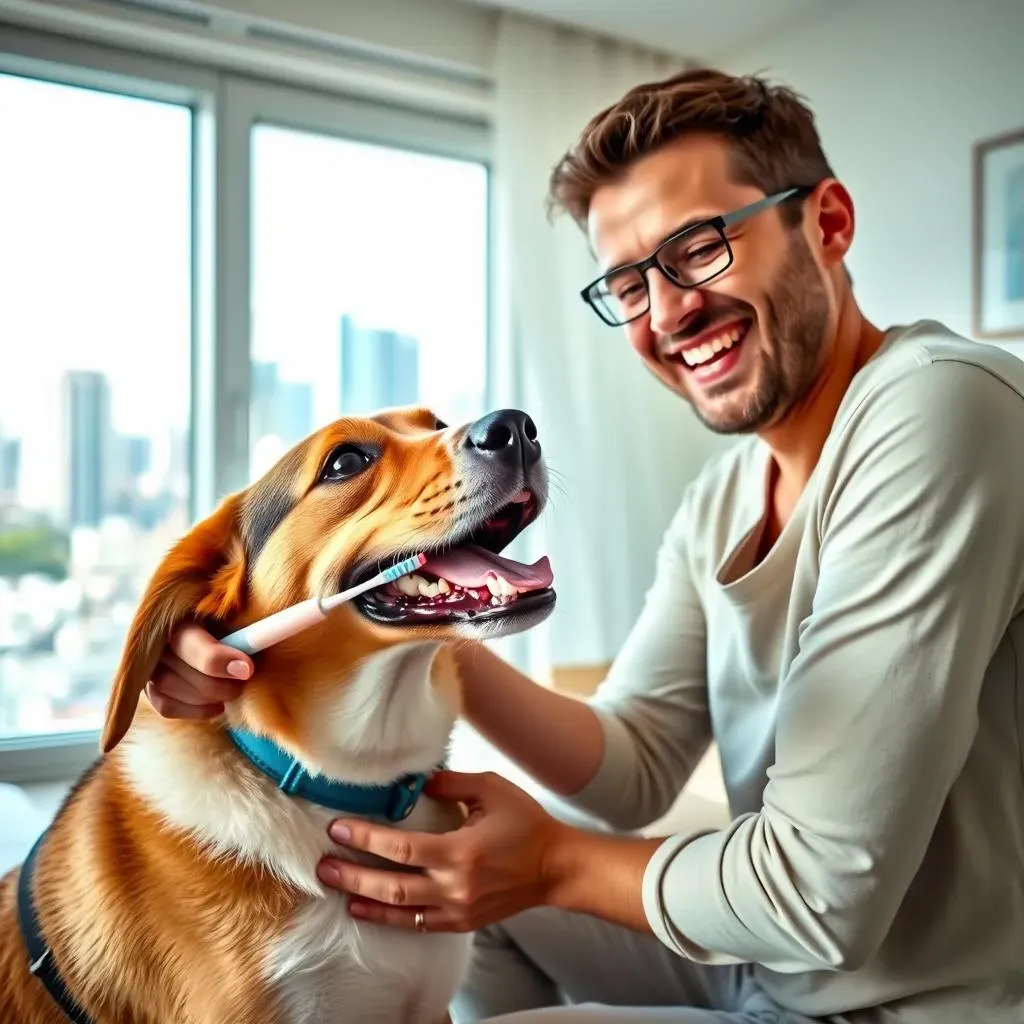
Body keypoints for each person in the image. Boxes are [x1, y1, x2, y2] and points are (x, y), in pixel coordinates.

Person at [145, 67, 1024, 1023]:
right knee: (451, 893)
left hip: (915, 1003)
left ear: (828, 223)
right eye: (629, 282)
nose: (668, 310)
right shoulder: (729, 491)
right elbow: (636, 763)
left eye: (700, 248)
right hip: (769, 968)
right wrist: (412, 615)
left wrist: (550, 865)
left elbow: (820, 889)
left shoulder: (939, 408)